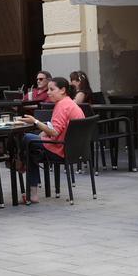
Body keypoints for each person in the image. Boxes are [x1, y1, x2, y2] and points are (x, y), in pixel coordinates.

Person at [18, 76, 82, 204]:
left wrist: (35, 121)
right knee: (32, 151)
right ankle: (22, 162)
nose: (48, 93)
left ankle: (19, 163)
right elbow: (55, 129)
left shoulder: (62, 106)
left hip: (60, 149)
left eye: (52, 89)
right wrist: (43, 133)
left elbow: (54, 132)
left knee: (27, 139)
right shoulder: (70, 104)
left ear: (63, 90)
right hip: (74, 150)